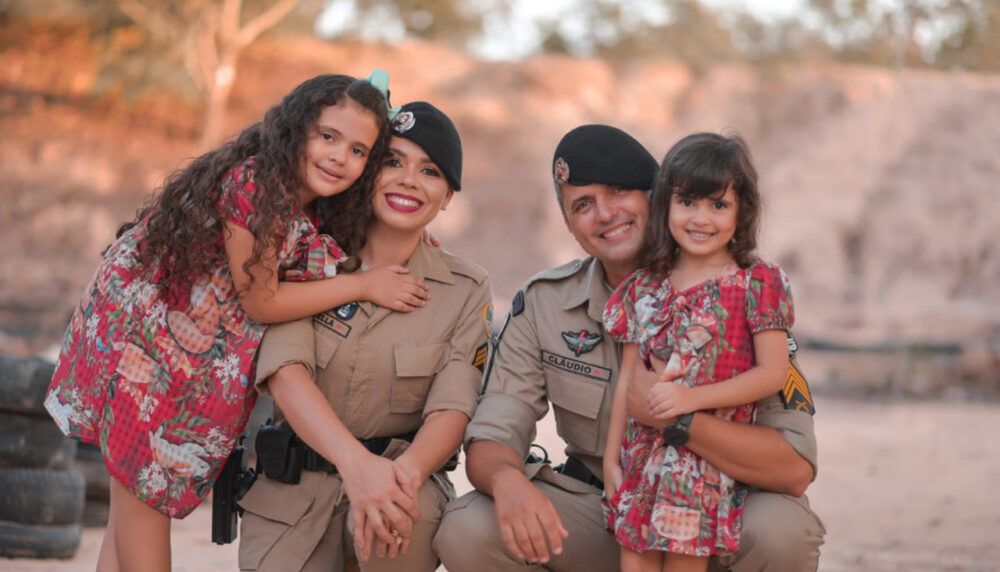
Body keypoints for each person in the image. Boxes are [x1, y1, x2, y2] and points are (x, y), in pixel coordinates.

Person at [43, 73, 429, 572]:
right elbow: (261, 301)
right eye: (328, 136)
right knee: (145, 503)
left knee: (130, 514)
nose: (339, 156)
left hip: (181, 358)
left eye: (359, 151)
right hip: (146, 351)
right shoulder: (253, 185)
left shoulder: (310, 207)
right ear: (295, 128)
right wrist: (364, 285)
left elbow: (322, 259)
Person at [434, 124, 824, 571]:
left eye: (619, 191)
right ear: (568, 224)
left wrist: (680, 418)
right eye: (582, 205)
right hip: (610, 510)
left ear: (658, 196)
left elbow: (792, 468)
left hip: (717, 511)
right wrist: (506, 481)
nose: (604, 214)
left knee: (782, 531)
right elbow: (493, 432)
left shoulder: (740, 293)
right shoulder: (546, 303)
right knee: (471, 525)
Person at [236, 101, 493, 572]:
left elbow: (453, 406)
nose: (409, 181)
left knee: (394, 531)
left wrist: (401, 476)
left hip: (403, 485)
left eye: (430, 171)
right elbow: (287, 373)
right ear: (367, 173)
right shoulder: (310, 251)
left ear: (449, 195)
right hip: (294, 492)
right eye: (392, 162)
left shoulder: (465, 289)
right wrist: (357, 468)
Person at [602, 132, 794, 572]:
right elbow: (628, 380)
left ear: (742, 209)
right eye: (687, 202)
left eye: (718, 205)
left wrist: (691, 401)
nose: (700, 218)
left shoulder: (758, 283)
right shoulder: (645, 285)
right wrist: (613, 459)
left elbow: (772, 374)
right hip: (641, 462)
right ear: (665, 205)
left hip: (703, 468)